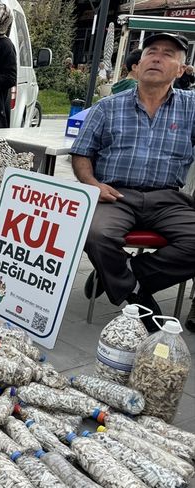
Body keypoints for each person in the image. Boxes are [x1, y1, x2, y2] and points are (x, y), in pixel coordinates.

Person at [71, 33, 195, 333]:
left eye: (168, 54)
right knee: (95, 232)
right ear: (137, 66)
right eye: (151, 52)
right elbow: (80, 154)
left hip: (168, 198)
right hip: (116, 195)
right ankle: (130, 287)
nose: (157, 58)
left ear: (181, 70)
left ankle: (126, 281)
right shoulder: (108, 107)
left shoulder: (192, 108)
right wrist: (93, 183)